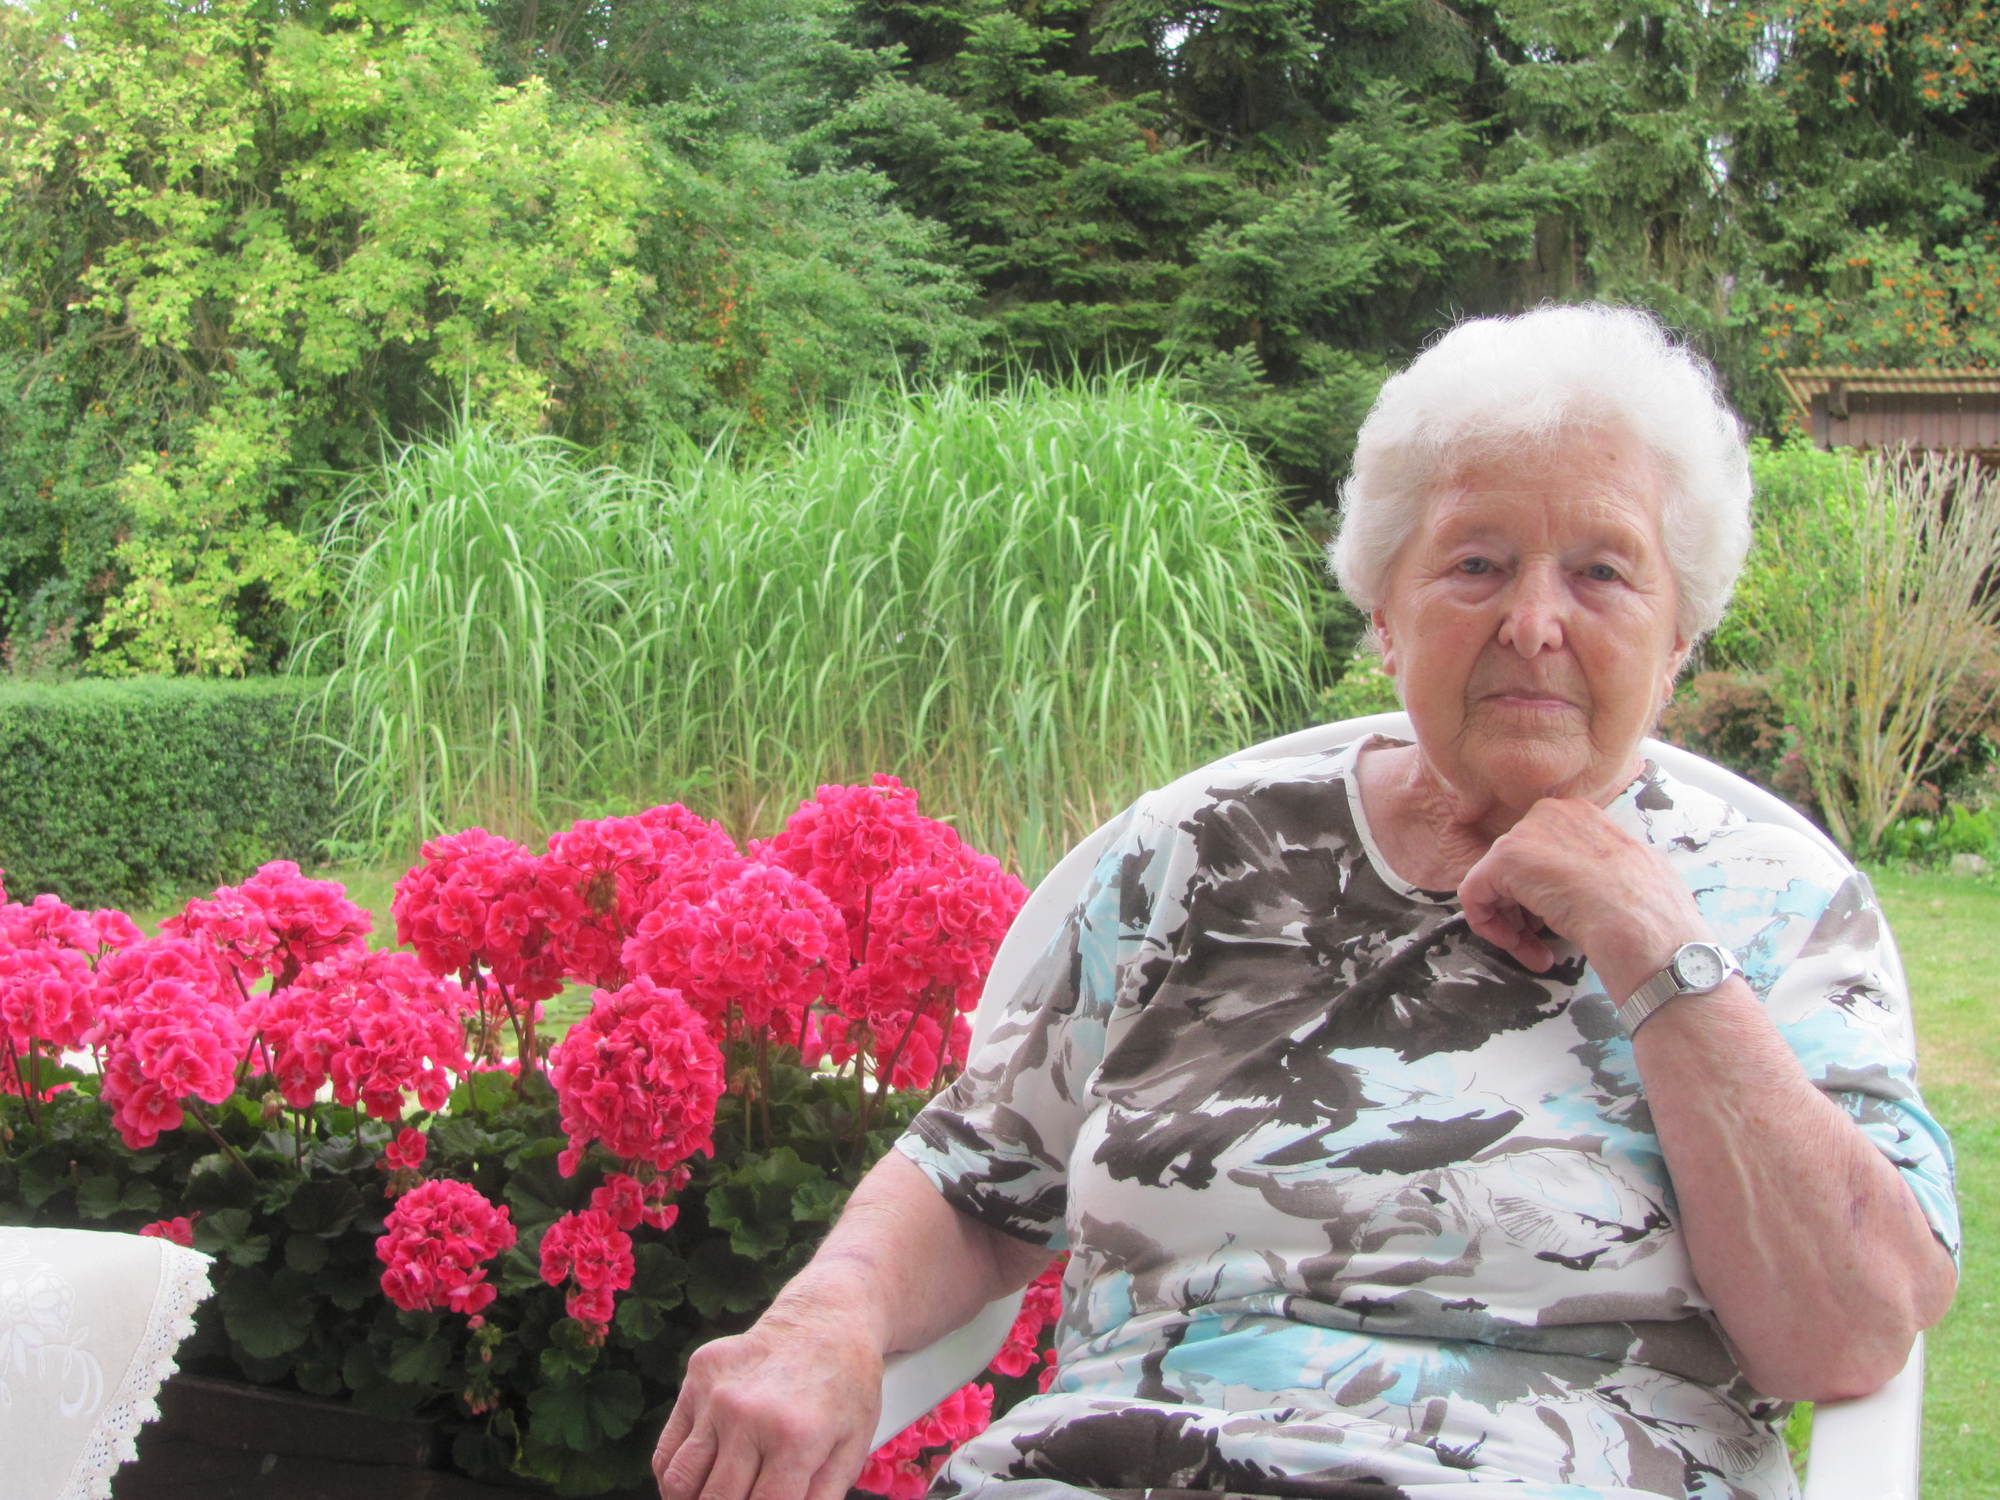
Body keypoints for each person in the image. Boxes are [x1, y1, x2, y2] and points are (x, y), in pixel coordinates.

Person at [652, 304, 1959, 1500]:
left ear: (1679, 635)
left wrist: (1655, 943)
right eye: (1476, 563)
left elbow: (1848, 1331)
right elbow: (972, 1178)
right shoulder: (1200, 851)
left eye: (1603, 573)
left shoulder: (1772, 902)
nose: (1533, 622)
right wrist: (821, 1321)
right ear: (1385, 612)